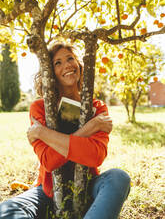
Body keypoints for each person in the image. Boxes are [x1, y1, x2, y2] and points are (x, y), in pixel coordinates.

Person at [0, 41, 130, 219]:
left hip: (89, 185)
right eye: (57, 63)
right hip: (47, 190)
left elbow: (95, 156)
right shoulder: (39, 108)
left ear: (79, 64)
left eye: (70, 59)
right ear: (50, 72)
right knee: (8, 209)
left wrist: (43, 133)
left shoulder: (97, 108)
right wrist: (89, 128)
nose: (66, 65)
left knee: (118, 177)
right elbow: (49, 161)